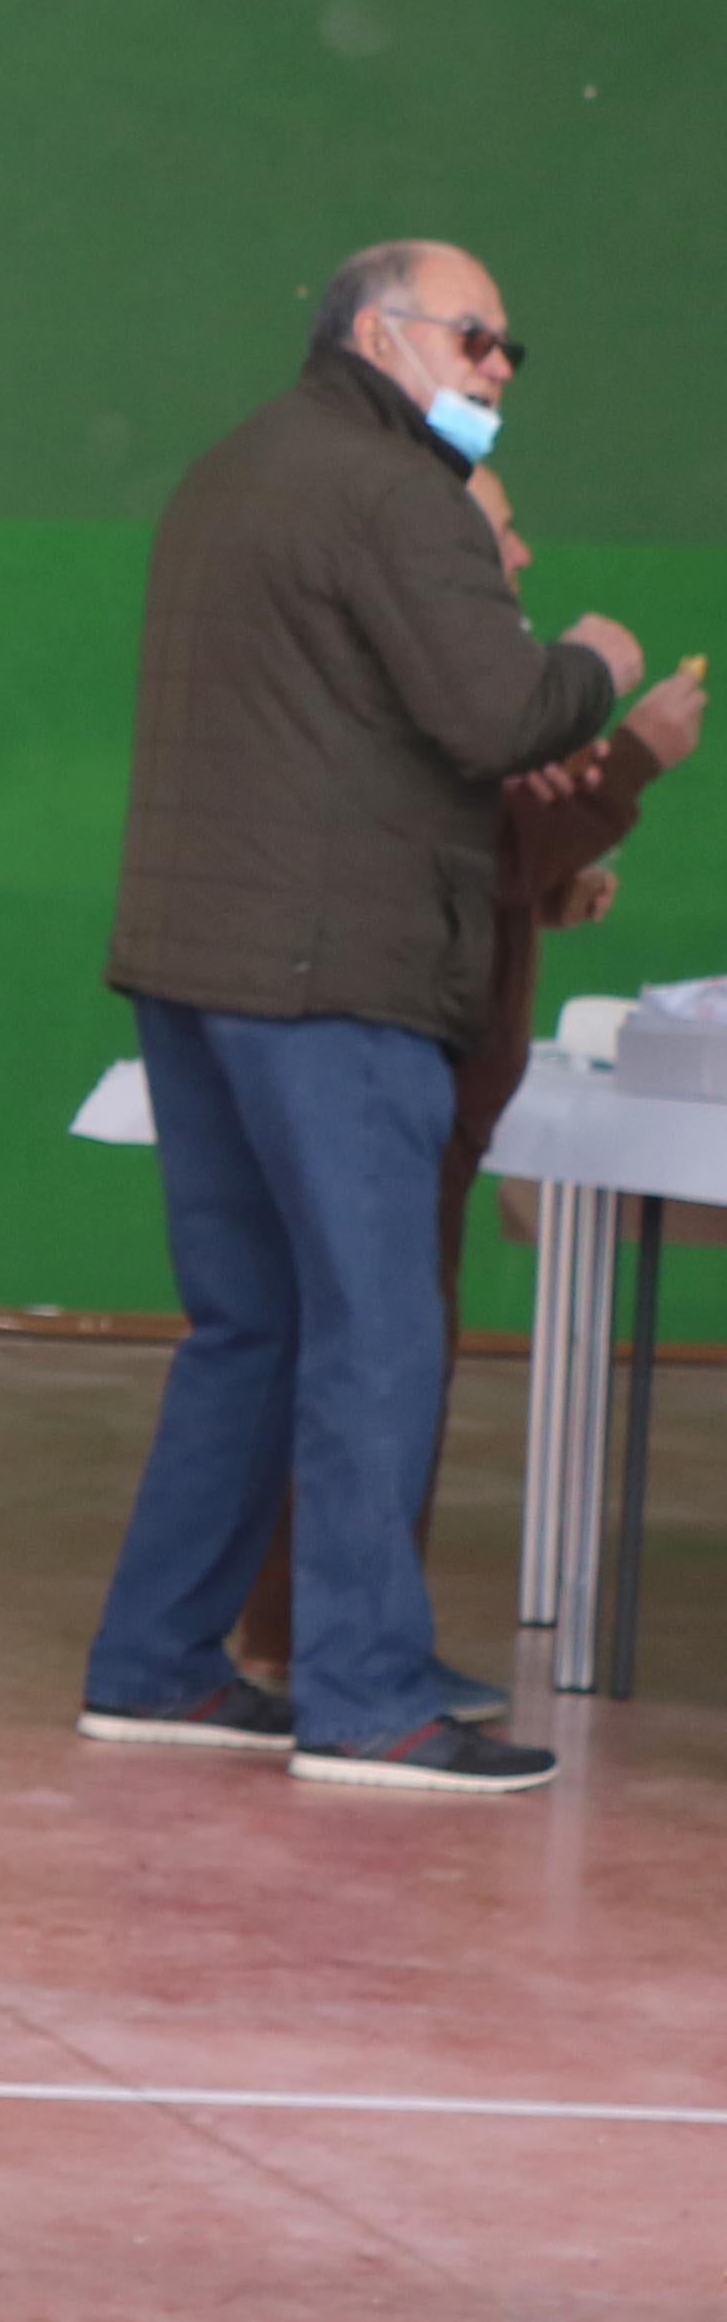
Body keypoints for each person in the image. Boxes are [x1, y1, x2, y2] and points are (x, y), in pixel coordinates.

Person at [82, 240, 636, 1796]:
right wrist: (589, 660)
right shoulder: (395, 494)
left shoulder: (230, 472)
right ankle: (365, 1699)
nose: (498, 370)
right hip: (329, 981)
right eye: (475, 338)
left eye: (508, 346)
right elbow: (495, 711)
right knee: (372, 1328)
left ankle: (153, 1665)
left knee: (245, 1327)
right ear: (378, 335)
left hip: (192, 965)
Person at [228, 466, 704, 1677]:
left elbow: (472, 859)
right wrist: (630, 761)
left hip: (428, 1061)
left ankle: (315, 1645)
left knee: (368, 1353)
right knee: (366, 1361)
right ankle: (337, 1659)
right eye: (501, 531)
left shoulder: (435, 677)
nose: (524, 555)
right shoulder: (425, 675)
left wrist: (545, 885)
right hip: (399, 1055)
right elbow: (445, 855)